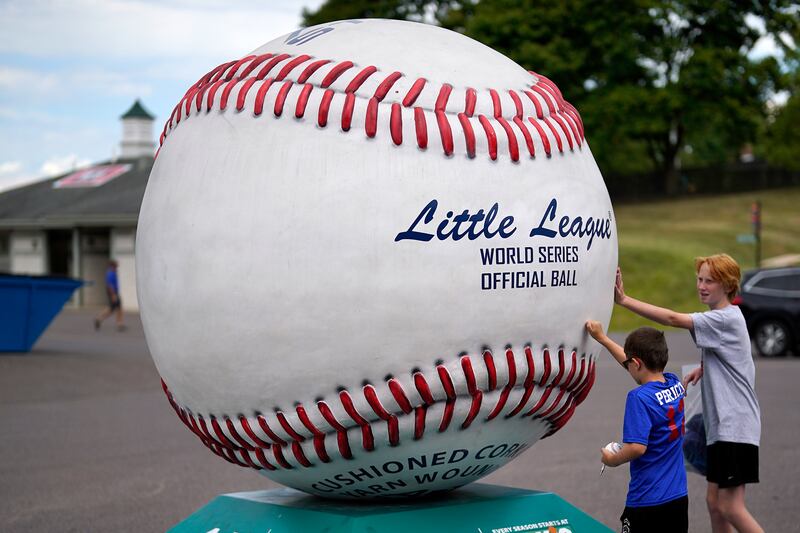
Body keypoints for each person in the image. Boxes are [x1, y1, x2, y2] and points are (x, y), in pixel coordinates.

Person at [614, 254, 763, 533]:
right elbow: (734, 357)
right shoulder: (722, 319)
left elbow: (672, 318)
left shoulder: (723, 318)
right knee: (714, 504)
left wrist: (624, 300)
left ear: (728, 286)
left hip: (735, 427)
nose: (702, 285)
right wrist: (705, 367)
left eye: (710, 281)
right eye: (700, 279)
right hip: (722, 429)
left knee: (731, 507)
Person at [586, 322, 688, 533]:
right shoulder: (673, 382)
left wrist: (611, 459)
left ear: (637, 363)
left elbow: (637, 448)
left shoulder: (638, 398)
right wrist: (603, 339)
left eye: (629, 363)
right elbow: (633, 364)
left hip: (648, 500)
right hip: (678, 496)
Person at [94, 259, 125, 331]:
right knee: (112, 309)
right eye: (116, 265)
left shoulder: (113, 272)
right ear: (113, 265)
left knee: (118, 309)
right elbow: (110, 285)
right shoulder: (110, 273)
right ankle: (99, 319)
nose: (118, 266)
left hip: (114, 293)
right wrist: (113, 295)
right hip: (113, 293)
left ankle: (119, 324)